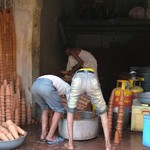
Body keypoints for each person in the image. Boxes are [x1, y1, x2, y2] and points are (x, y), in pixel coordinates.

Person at [64, 68, 111, 150]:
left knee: (70, 111)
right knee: (103, 112)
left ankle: (70, 144)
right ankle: (108, 145)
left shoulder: (76, 74)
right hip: (92, 79)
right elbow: (96, 102)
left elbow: (71, 106)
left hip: (78, 79)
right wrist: (94, 111)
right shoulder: (93, 72)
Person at [31, 75, 70, 144]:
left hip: (35, 85)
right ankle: (50, 136)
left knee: (45, 109)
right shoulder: (68, 88)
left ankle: (43, 135)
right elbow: (71, 105)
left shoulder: (60, 84)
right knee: (59, 110)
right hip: (46, 85)